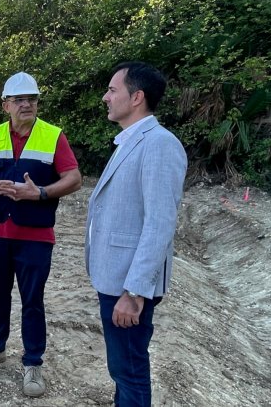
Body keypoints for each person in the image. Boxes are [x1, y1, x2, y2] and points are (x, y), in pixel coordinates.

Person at [0, 71, 82, 398]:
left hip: (35, 235)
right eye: (19, 99)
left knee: (32, 300)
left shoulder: (53, 136)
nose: (26, 104)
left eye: (32, 99)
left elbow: (73, 178)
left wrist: (40, 193)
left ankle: (33, 362)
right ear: (6, 105)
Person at [86, 61, 188, 406]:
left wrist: (135, 291)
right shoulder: (131, 141)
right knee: (122, 368)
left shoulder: (159, 144)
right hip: (116, 277)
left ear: (136, 97)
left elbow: (160, 223)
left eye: (112, 90)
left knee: (129, 370)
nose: (106, 97)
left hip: (128, 284)